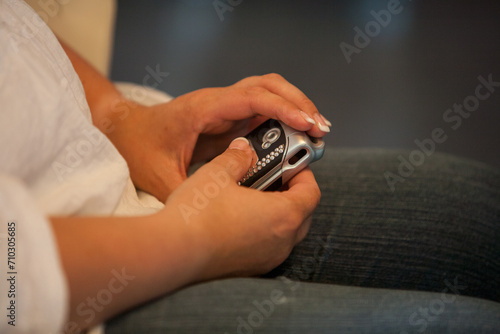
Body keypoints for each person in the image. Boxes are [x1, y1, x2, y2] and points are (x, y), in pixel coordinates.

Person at [1, 1, 499, 333]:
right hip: (76, 303)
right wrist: (192, 241)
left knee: (478, 208)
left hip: (113, 170)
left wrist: (119, 118)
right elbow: (13, 284)